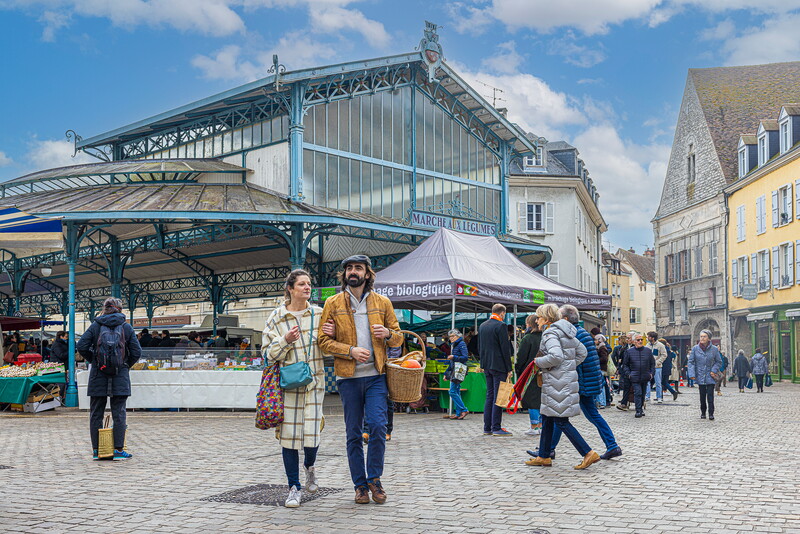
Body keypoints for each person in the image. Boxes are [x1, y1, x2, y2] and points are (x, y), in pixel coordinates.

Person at [317, 254, 403, 505]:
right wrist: (350, 351)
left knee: (378, 427)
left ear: (367, 274)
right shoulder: (332, 303)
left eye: (358, 268)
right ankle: (360, 486)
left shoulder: (382, 302)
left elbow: (398, 337)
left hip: (376, 376)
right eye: (349, 268)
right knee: (353, 433)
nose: (353, 272)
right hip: (348, 377)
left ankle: (374, 479)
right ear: (344, 274)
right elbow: (322, 341)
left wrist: (388, 334)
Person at [262, 269, 335, 508]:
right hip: (288, 386)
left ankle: (310, 467)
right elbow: (266, 354)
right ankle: (294, 487)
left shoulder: (320, 314)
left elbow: (329, 350)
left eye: (309, 284)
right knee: (289, 438)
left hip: (315, 384)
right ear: (290, 289)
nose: (307, 287)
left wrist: (331, 337)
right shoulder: (277, 317)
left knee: (312, 436)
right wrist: (285, 341)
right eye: (302, 284)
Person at [526, 303, 599, 470]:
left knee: (561, 420)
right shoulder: (565, 331)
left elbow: (556, 356)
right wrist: (569, 366)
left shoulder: (550, 333)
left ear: (545, 318)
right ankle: (543, 455)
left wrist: (538, 362)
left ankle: (588, 453)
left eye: (539, 316)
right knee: (547, 416)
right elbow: (583, 352)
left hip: (555, 382)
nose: (537, 320)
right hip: (563, 380)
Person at [544, 305, 621, 460]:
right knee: (576, 415)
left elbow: (573, 360)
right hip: (587, 380)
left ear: (565, 319)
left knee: (561, 415)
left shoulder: (572, 335)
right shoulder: (582, 333)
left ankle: (549, 450)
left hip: (582, 381)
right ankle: (612, 445)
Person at [76, 297, 142, 461]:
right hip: (120, 375)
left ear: (104, 309)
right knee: (119, 412)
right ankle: (118, 450)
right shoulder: (126, 327)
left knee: (96, 413)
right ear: (120, 309)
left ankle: (97, 450)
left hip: (99, 374)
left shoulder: (96, 326)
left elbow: (81, 345)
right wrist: (125, 365)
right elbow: (136, 351)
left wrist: (95, 361)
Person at [478, 303, 514, 437]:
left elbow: (479, 346)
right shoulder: (501, 326)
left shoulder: (483, 325)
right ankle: (496, 427)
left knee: (490, 395)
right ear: (502, 313)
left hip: (486, 364)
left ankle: (487, 427)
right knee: (498, 397)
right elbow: (505, 349)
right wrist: (509, 368)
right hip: (499, 365)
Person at [515, 315, 542, 436]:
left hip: (530, 372)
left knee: (531, 400)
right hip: (544, 372)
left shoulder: (528, 339)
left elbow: (521, 357)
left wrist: (518, 370)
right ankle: (541, 425)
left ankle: (534, 426)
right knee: (541, 399)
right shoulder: (545, 337)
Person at [688, 330, 722, 420]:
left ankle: (711, 413)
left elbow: (719, 362)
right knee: (702, 395)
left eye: (704, 336)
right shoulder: (695, 349)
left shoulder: (714, 349)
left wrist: (713, 370)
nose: (702, 338)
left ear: (709, 338)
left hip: (710, 375)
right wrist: (691, 374)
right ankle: (703, 412)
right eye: (701, 336)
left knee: (710, 395)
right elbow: (691, 362)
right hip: (700, 375)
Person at [621, 333, 655, 418]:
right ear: (634, 341)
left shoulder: (647, 351)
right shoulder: (629, 351)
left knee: (643, 393)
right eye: (638, 340)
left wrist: (651, 374)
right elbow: (625, 365)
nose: (640, 341)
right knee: (638, 392)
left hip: (645, 376)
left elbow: (652, 364)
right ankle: (638, 410)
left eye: (641, 340)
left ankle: (641, 408)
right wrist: (629, 374)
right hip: (634, 376)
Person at [445, 329, 469, 420]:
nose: (451, 338)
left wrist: (454, 357)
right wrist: (446, 373)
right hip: (455, 371)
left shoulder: (461, 344)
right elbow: (452, 362)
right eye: (450, 336)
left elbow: (465, 358)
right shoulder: (455, 345)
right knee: (457, 391)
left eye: (453, 336)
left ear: (458, 336)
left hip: (458, 372)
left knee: (452, 391)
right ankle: (458, 413)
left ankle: (463, 409)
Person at [645, 332, 667, 404]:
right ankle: (647, 396)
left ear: (652, 338)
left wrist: (658, 362)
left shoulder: (660, 345)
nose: (647, 338)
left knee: (658, 382)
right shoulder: (647, 345)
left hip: (657, 367)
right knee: (647, 382)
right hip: (648, 367)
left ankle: (659, 397)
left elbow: (664, 355)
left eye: (649, 336)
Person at [594, 334, 612, 407]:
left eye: (595, 340)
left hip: (601, 368)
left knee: (601, 386)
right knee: (602, 385)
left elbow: (604, 358)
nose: (594, 341)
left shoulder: (602, 348)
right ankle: (602, 402)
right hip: (601, 368)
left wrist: (596, 360)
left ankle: (602, 402)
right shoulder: (600, 347)